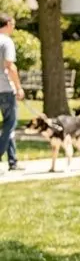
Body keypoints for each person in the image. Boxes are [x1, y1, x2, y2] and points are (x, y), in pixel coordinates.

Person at [0, 13, 24, 172]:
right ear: (7, 24)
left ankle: (13, 161)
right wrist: (19, 87)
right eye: (13, 24)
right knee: (11, 123)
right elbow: (10, 66)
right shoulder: (6, 42)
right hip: (6, 89)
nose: (14, 27)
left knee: (9, 126)